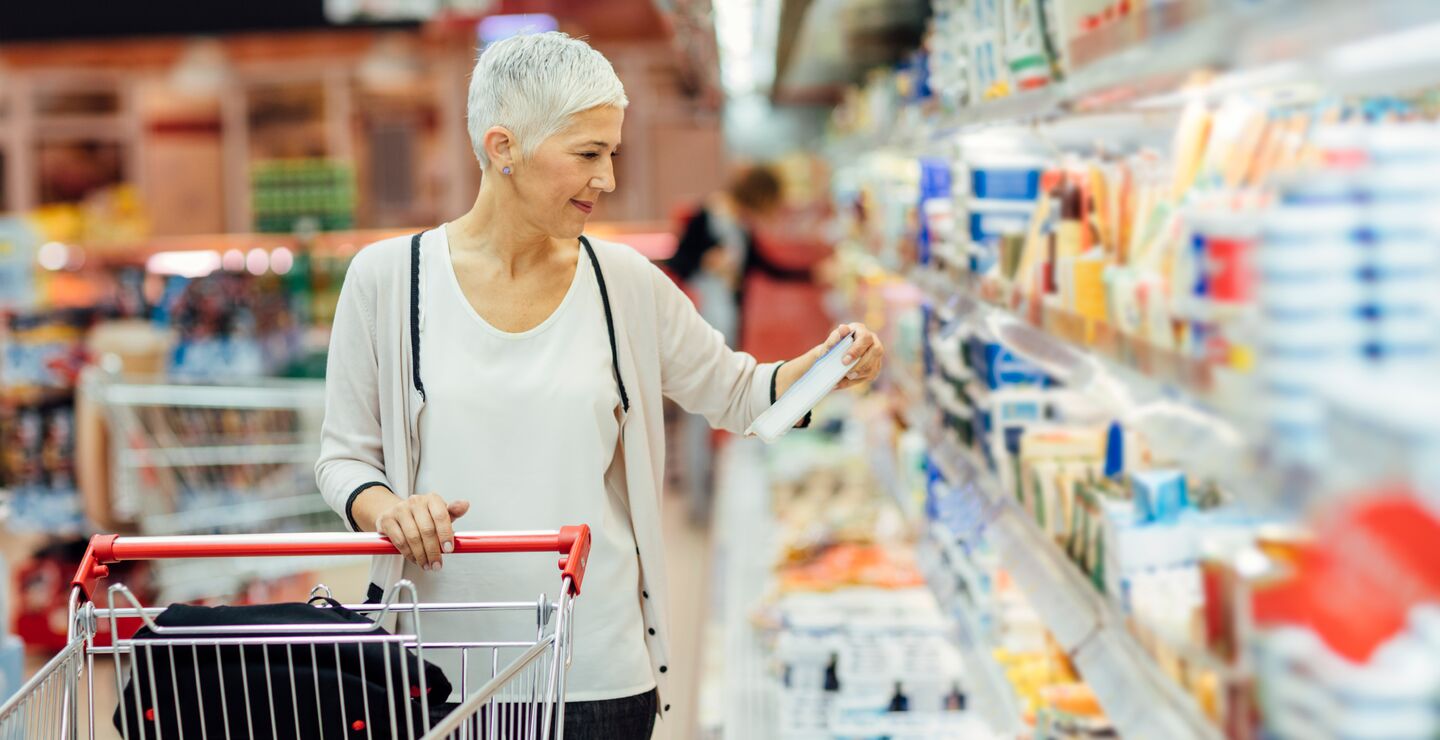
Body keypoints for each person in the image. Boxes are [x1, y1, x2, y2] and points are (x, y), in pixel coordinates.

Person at [314, 32, 884, 739]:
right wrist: (386, 510)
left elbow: (743, 398)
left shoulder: (626, 286)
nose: (608, 178)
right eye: (588, 154)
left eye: (612, 153)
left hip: (597, 672)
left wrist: (826, 368)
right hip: (439, 672)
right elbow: (343, 459)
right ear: (503, 148)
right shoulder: (389, 281)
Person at [666, 164, 783, 521]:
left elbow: (764, 266)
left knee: (720, 407)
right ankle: (697, 500)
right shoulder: (705, 217)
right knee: (699, 413)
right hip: (701, 328)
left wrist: (812, 271)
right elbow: (678, 262)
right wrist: (707, 260)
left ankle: (708, 492)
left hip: (726, 329)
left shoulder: (741, 226)